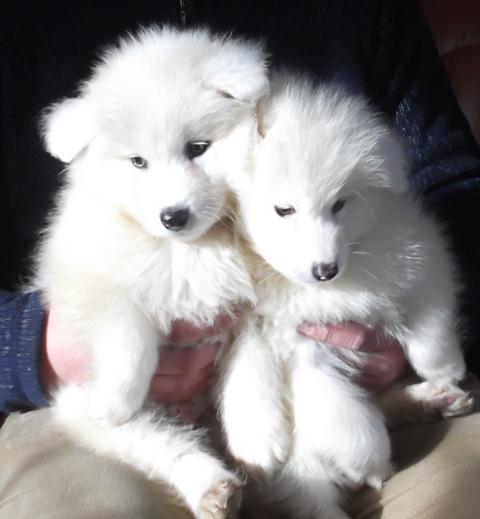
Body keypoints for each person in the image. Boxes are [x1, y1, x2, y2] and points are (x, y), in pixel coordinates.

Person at [0, 1, 479, 518]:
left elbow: (453, 187)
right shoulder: (20, 25)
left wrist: (410, 326)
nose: (174, 199)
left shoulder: (362, 15)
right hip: (82, 403)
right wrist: (30, 346)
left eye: (199, 149)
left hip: (349, 372)